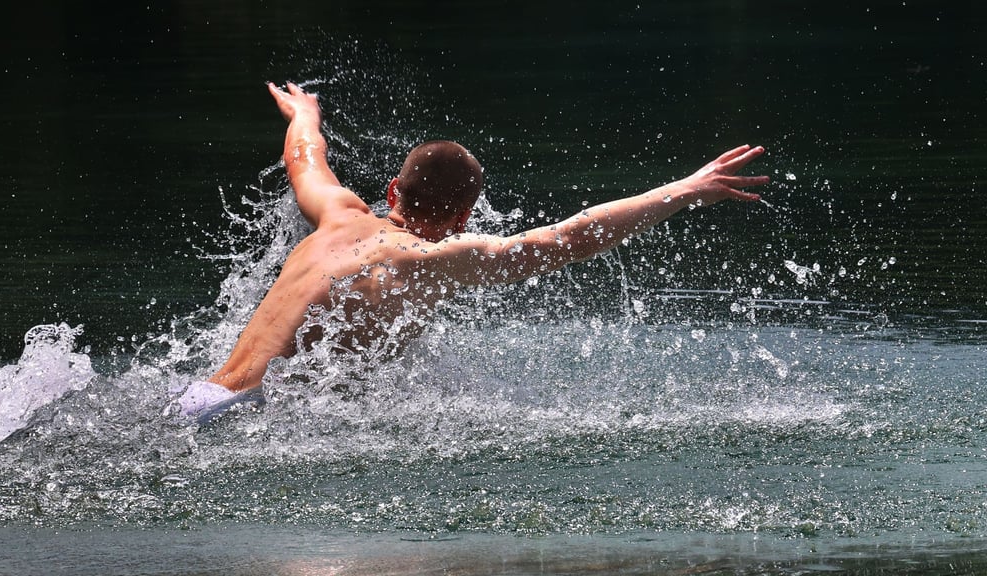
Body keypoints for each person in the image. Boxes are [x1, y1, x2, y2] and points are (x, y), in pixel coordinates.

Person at [177, 82, 769, 420]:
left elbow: (304, 158)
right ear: (463, 218)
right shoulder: (425, 260)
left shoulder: (336, 215)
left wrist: (304, 113)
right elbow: (563, 239)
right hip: (245, 423)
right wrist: (684, 190)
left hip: (197, 399)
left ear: (391, 191)